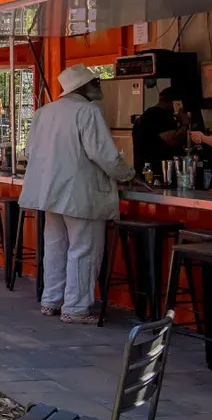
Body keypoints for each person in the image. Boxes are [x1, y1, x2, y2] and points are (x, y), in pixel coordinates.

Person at [19, 64, 134, 324]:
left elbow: (29, 151)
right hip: (80, 193)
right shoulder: (88, 111)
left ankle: (52, 300)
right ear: (83, 86)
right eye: (96, 82)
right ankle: (76, 308)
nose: (100, 86)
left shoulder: (44, 112)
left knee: (55, 246)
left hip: (50, 191)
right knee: (84, 249)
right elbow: (103, 154)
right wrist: (127, 174)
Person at [133, 87, 186, 173]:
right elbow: (173, 138)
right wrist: (184, 124)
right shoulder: (159, 115)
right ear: (172, 102)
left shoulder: (148, 114)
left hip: (145, 167)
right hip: (156, 169)